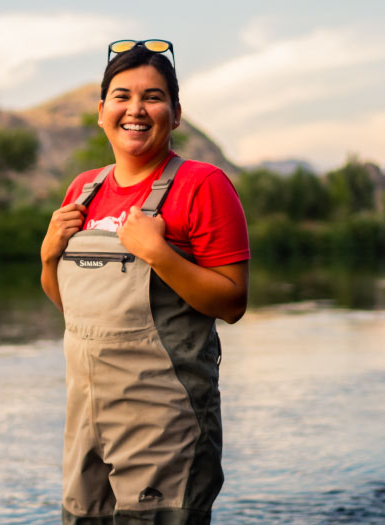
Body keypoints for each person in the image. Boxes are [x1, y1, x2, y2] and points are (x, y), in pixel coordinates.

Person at [39, 39, 250, 524]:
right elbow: (71, 307)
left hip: (166, 422)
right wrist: (49, 257)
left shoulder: (203, 184)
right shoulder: (83, 189)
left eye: (153, 97)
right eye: (122, 95)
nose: (136, 109)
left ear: (176, 115)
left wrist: (158, 253)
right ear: (101, 111)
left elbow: (233, 302)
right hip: (86, 422)